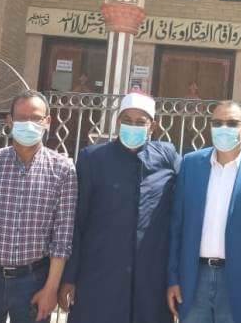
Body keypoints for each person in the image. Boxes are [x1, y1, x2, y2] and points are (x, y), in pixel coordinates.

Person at [59, 92, 181, 323]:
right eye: (127, 120)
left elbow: (181, 213)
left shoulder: (167, 157)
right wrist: (69, 277)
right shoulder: (93, 159)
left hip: (150, 284)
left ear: (153, 126)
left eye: (140, 122)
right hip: (99, 278)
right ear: (117, 122)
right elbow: (77, 221)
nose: (132, 126)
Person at [0, 90, 77, 323]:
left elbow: (62, 236)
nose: (28, 124)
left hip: (34, 281)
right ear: (9, 121)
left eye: (36, 118)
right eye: (21, 118)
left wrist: (51, 288)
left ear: (47, 121)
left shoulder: (63, 169)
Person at [167, 101, 241, 323]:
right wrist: (173, 279)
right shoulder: (191, 164)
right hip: (194, 281)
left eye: (231, 123)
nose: (224, 128)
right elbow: (177, 227)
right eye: (217, 123)